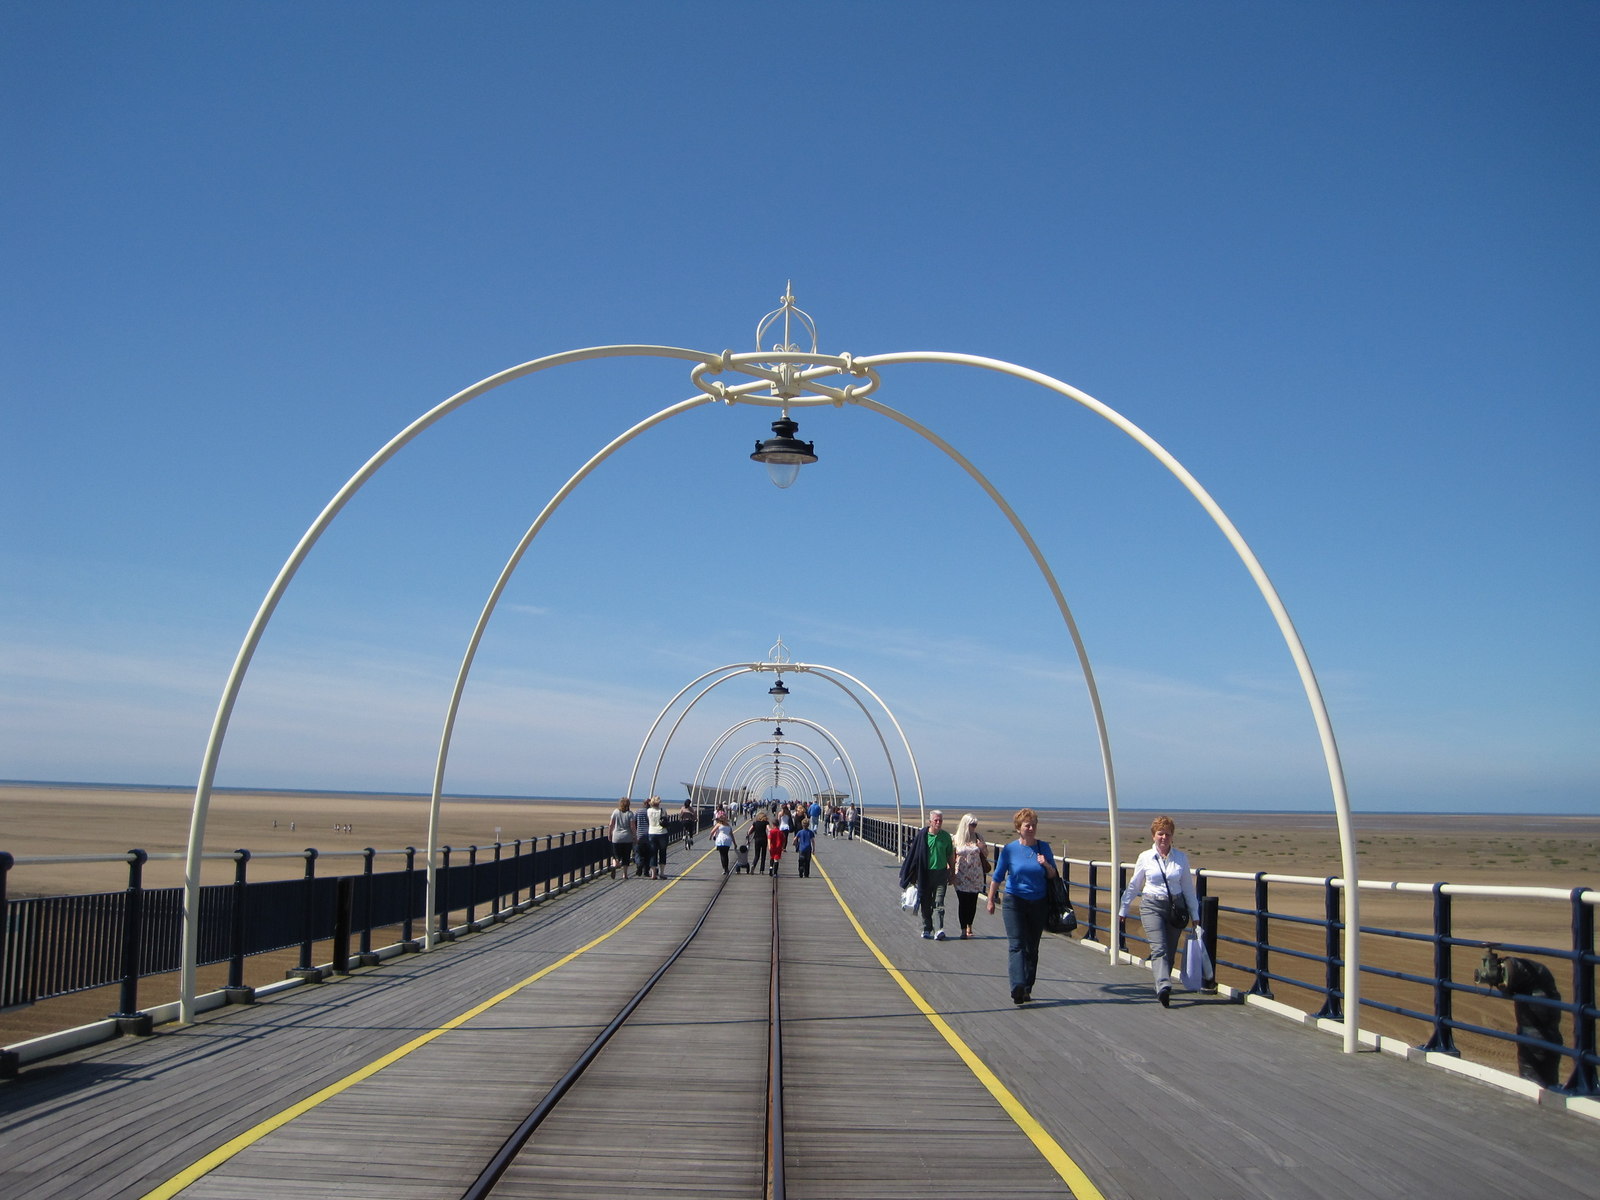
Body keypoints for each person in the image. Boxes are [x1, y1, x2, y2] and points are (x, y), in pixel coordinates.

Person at [1118, 815, 1200, 1008]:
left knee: (1170, 951)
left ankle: (1163, 982)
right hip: (1151, 905)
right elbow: (1134, 885)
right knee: (1159, 948)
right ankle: (1163, 985)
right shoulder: (1145, 857)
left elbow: (1188, 888)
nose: (1164, 838)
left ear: (1172, 837)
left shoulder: (1180, 858)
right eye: (1160, 834)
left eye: (1167, 834)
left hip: (1175, 907)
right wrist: (1124, 907)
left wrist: (1195, 915)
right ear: (1153, 836)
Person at [986, 808, 1059, 1004]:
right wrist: (991, 899)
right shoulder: (1010, 849)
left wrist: (1046, 865)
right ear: (1019, 828)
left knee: (1032, 947)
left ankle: (1027, 987)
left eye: (1034, 825)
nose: (1031, 828)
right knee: (1016, 944)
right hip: (1014, 901)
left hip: (1038, 902)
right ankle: (1017, 986)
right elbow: (998, 876)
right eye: (1027, 825)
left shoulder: (1044, 848)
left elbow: (1053, 875)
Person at [899, 810, 955, 940]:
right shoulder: (923, 836)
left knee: (938, 902)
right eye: (936, 820)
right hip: (925, 874)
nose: (938, 822)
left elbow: (950, 855)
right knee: (925, 902)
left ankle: (939, 929)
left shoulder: (946, 837)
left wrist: (952, 872)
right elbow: (915, 856)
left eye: (940, 820)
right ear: (930, 822)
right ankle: (926, 928)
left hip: (941, 874)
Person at [951, 813, 991, 939]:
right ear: (965, 824)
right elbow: (952, 856)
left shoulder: (978, 837)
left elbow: (986, 854)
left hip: (976, 875)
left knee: (972, 902)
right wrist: (951, 873)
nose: (974, 827)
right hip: (961, 875)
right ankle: (963, 929)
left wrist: (982, 847)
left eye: (975, 825)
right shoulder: (956, 839)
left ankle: (969, 926)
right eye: (972, 824)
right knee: (963, 902)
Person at [608, 797, 636, 879]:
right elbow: (632, 826)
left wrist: (609, 834)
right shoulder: (630, 814)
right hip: (627, 838)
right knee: (626, 856)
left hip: (616, 837)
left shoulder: (615, 812)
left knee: (615, 854)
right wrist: (635, 836)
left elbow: (611, 824)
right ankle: (625, 874)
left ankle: (615, 864)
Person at [644, 796, 668, 879]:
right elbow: (666, 820)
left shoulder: (648, 811)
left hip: (652, 833)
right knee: (662, 853)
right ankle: (662, 873)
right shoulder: (663, 810)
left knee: (653, 853)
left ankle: (653, 874)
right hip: (662, 833)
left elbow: (648, 820)